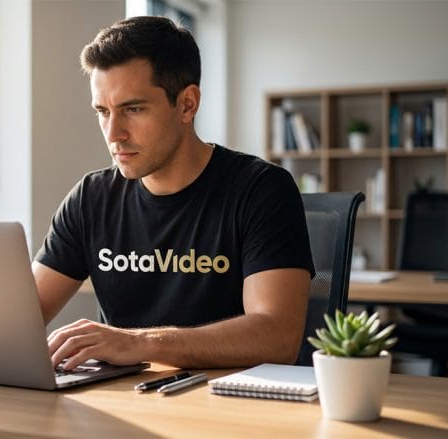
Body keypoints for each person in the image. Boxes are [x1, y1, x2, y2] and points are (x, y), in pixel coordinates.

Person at [32, 16, 314, 371]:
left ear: (187, 104)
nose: (113, 133)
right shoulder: (91, 198)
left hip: (233, 408)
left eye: (132, 109)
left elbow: (277, 338)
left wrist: (138, 343)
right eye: (103, 112)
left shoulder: (261, 190)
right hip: (125, 402)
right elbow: (18, 320)